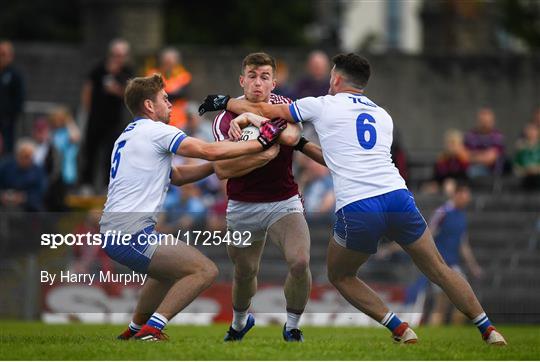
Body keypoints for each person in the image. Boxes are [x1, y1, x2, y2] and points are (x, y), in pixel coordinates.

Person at [199, 53, 507, 346]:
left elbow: (271, 113)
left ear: (335, 79)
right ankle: (489, 329)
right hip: (398, 197)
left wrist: (226, 103)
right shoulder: (382, 115)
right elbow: (339, 156)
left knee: (341, 275)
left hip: (359, 205)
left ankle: (400, 328)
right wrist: (298, 143)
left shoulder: (322, 105)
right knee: (439, 267)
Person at [102, 73, 286, 342]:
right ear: (149, 106)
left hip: (119, 231)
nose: (170, 105)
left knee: (166, 274)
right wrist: (257, 144)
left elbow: (177, 176)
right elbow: (208, 150)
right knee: (204, 270)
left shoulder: (127, 136)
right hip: (130, 233)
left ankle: (134, 331)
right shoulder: (157, 131)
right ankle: (152, 330)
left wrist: (221, 165)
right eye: (165, 100)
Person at [211, 52, 325, 342]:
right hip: (242, 205)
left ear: (274, 82)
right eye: (252, 76)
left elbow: (290, 138)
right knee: (245, 272)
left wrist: (252, 119)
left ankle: (292, 326)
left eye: (264, 77)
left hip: (283, 201)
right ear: (242, 80)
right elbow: (223, 169)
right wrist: (262, 154)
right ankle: (239, 324)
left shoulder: (286, 107)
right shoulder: (225, 119)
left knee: (300, 262)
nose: (258, 83)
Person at [80, 39, 134, 191]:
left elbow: (130, 94)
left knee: (111, 152)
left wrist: (116, 89)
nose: (119, 59)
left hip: (114, 119)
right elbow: (88, 88)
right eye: (116, 55)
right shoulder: (99, 68)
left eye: (122, 55)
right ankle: (86, 184)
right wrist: (87, 110)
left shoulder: (128, 71)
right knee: (90, 150)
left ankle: (107, 184)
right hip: (95, 117)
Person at [426, 183, 483, 325]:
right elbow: (427, 235)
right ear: (456, 194)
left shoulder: (461, 215)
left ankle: (453, 331)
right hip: (440, 264)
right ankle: (435, 335)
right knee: (441, 302)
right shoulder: (442, 212)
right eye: (464, 196)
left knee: (463, 300)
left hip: (453, 264)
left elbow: (463, 244)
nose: (467, 200)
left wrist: (473, 266)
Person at [146, 47, 192, 129]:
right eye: (166, 62)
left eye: (171, 62)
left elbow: (182, 94)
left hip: (179, 120)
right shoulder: (152, 74)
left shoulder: (184, 76)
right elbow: (153, 95)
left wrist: (163, 93)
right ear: (161, 61)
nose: (169, 65)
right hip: (158, 119)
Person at [0, 139, 46, 211]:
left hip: (28, 209)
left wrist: (24, 198)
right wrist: (2, 195)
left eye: (29, 157)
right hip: (6, 207)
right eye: (23, 156)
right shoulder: (7, 167)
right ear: (17, 155)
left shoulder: (38, 171)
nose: (27, 159)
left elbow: (40, 193)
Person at [464, 108, 505, 179]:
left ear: (492, 121)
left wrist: (474, 155)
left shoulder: (497, 136)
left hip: (492, 171)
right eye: (483, 121)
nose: (485, 124)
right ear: (478, 121)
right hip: (471, 168)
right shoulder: (470, 135)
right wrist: (483, 155)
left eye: (487, 121)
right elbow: (464, 155)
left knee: (471, 171)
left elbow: (490, 158)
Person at [0, 40, 25, 155]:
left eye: (4, 54)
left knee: (6, 150)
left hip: (7, 121)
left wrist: (11, 116)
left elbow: (19, 98)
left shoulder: (15, 74)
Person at [514, 122, 540, 190]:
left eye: (534, 130)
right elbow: (516, 167)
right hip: (524, 178)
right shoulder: (521, 149)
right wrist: (526, 170)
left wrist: (535, 170)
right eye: (529, 130)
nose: (531, 133)